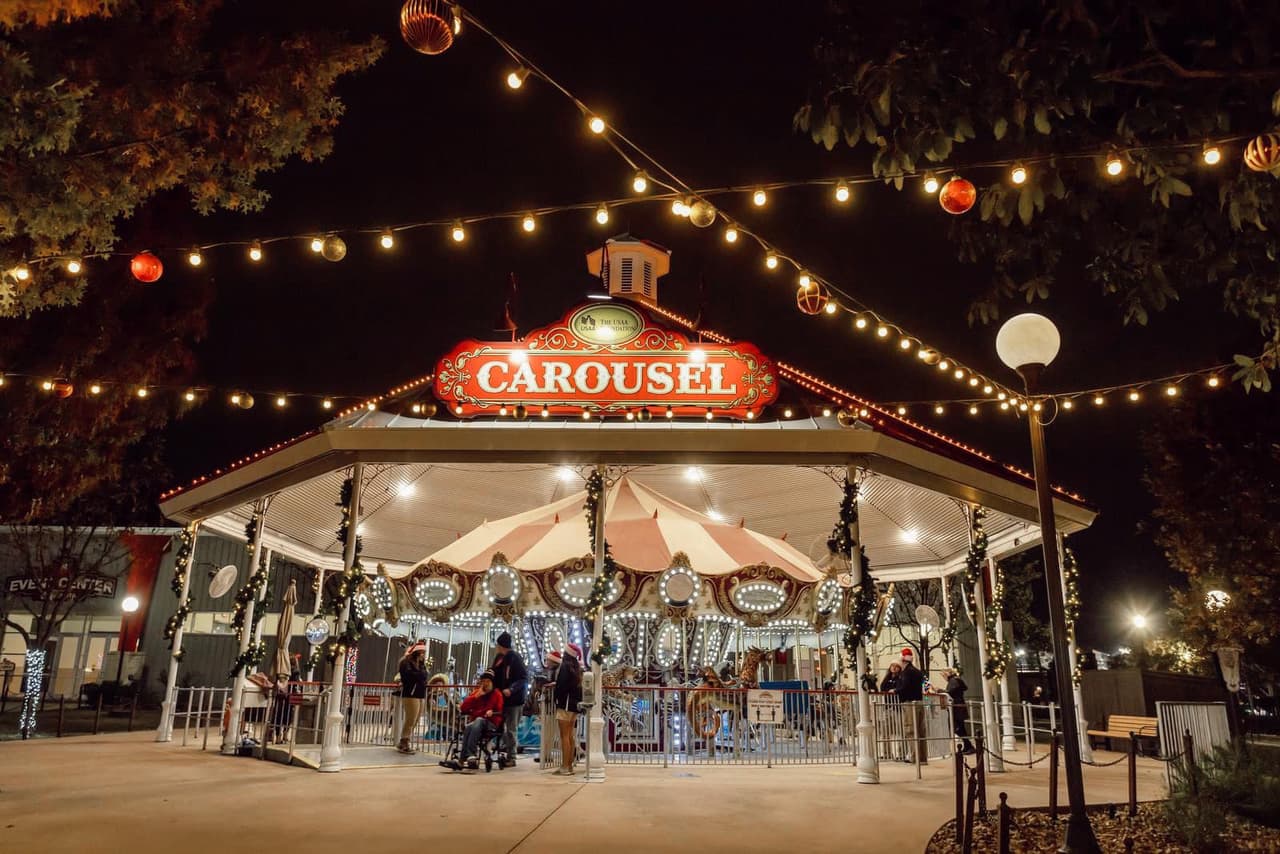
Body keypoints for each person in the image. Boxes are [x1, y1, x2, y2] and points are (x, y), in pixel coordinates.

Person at [447, 669, 504, 770]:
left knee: (478, 720)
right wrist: (475, 697)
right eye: (483, 681)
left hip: (491, 722)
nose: (485, 684)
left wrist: (491, 712)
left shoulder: (497, 694)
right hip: (477, 723)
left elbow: (499, 711)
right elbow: (463, 708)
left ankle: (470, 754)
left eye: (488, 681)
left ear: (492, 683)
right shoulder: (478, 692)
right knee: (469, 726)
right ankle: (464, 759)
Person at [490, 632, 528, 768]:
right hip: (502, 699)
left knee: (511, 729)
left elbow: (523, 678)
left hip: (514, 700)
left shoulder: (515, 658)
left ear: (501, 646)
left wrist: (511, 689)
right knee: (500, 727)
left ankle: (511, 756)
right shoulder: (500, 658)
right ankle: (502, 750)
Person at [552, 643, 584, 776]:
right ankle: (569, 765)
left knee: (564, 736)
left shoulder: (564, 667)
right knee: (570, 736)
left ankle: (565, 766)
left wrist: (557, 699)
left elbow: (562, 687)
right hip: (574, 705)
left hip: (565, 704)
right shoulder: (576, 667)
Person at [896, 648, 927, 764]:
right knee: (920, 730)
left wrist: (896, 690)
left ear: (902, 659)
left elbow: (904, 687)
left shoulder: (906, 672)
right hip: (919, 701)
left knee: (911, 730)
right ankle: (923, 757)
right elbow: (925, 685)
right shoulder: (918, 672)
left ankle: (915, 756)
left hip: (909, 703)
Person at [396, 642, 428, 754]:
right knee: (411, 718)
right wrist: (420, 675)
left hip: (419, 693)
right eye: (422, 652)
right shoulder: (406, 663)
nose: (424, 654)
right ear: (417, 652)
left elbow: (424, 676)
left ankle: (405, 740)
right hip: (410, 693)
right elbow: (411, 677)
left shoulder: (421, 664)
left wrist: (420, 675)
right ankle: (404, 742)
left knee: (416, 719)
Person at [942, 667, 975, 755]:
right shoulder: (956, 680)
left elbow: (950, 692)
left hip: (957, 708)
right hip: (958, 707)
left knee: (958, 728)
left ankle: (969, 745)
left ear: (948, 673)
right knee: (960, 728)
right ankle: (968, 745)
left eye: (944, 675)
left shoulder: (953, 681)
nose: (943, 677)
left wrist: (939, 690)